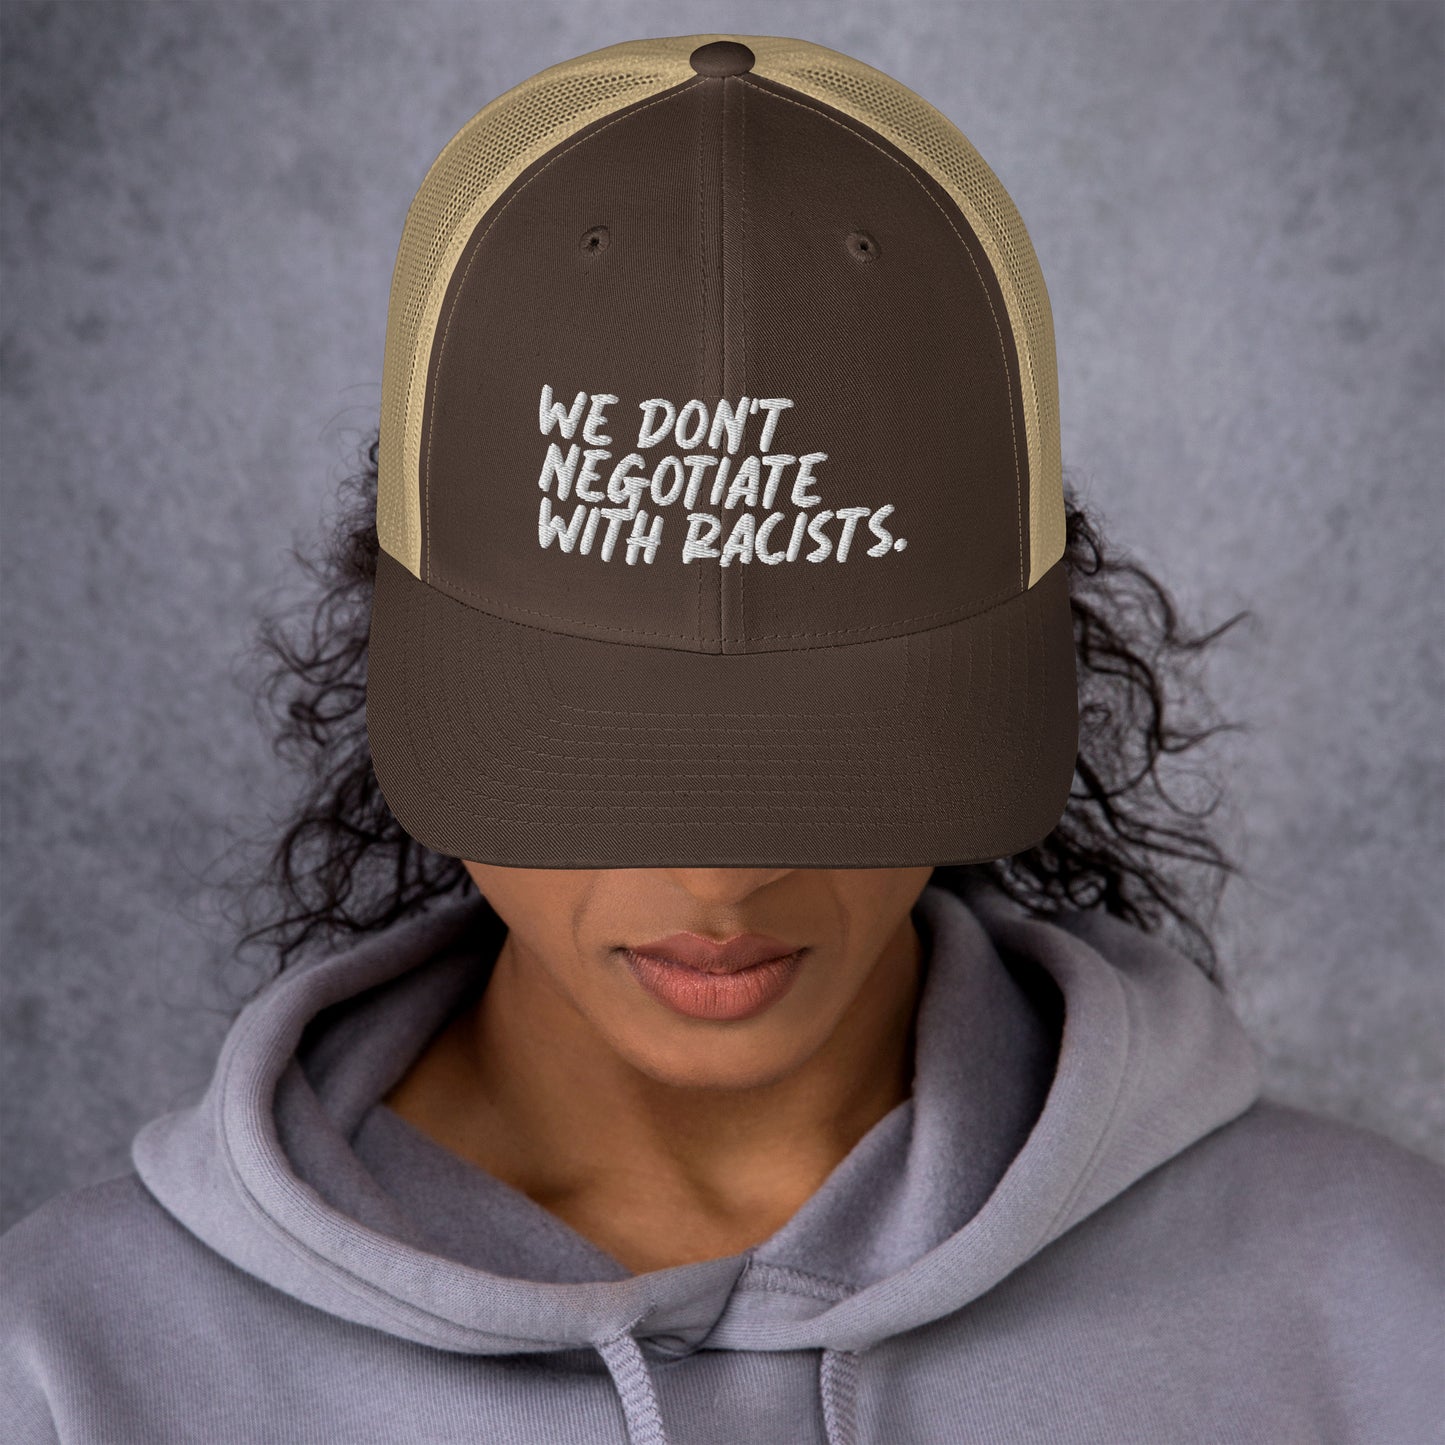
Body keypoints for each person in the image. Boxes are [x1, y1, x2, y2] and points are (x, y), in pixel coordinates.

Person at [3, 32, 1441, 1445]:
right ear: (408, 660)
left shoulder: (1385, 1310)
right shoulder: (70, 1366)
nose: (720, 879)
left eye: (828, 753)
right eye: (603, 758)